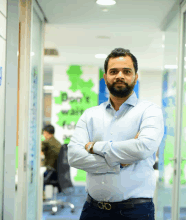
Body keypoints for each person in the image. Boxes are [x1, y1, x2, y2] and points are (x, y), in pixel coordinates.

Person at [68, 48, 164, 220]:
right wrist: (119, 163)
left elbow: (142, 148)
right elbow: (74, 156)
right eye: (113, 71)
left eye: (127, 71)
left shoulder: (150, 112)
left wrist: (94, 147)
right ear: (105, 77)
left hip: (135, 212)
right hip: (92, 210)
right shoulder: (90, 115)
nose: (120, 75)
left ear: (136, 76)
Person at [41, 124, 61, 200]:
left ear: (46, 132)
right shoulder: (57, 142)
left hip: (51, 172)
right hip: (57, 172)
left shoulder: (47, 142)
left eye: (43, 133)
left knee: (37, 175)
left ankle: (41, 197)